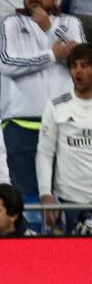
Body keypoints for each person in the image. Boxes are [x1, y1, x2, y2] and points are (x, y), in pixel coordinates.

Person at [0, 0, 84, 199]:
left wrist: (49, 29)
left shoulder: (70, 23)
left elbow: (84, 62)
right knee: (25, 198)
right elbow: (7, 63)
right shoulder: (10, 23)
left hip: (65, 125)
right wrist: (52, 56)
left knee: (67, 195)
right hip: (20, 124)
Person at [39, 43, 92, 235]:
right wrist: (45, 194)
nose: (78, 71)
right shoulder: (56, 107)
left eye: (84, 65)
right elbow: (44, 153)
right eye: (74, 65)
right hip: (68, 200)